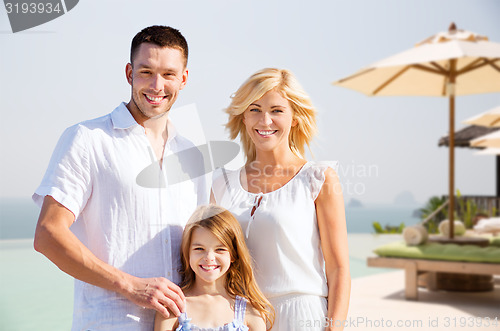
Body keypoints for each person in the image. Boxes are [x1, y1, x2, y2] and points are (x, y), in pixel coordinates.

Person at [33, 26, 208, 331]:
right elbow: (48, 234)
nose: (157, 85)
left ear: (184, 79)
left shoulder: (194, 154)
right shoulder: (87, 139)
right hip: (110, 324)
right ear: (129, 73)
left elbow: (209, 245)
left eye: (168, 74)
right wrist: (130, 285)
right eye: (146, 72)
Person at [211, 68, 350, 330]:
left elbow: (339, 268)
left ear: (295, 117)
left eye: (276, 110)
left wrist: (335, 328)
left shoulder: (319, 178)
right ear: (243, 116)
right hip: (240, 316)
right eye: (254, 109)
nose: (264, 121)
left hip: (302, 316)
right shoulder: (221, 183)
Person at [154, 205, 274, 331]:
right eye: (199, 249)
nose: (209, 257)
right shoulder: (172, 308)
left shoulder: (252, 312)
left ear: (233, 254)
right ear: (187, 252)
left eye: (220, 249)